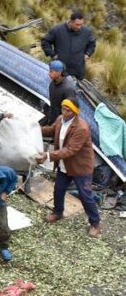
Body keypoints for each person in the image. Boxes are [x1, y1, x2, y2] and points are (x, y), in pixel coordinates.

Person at [35, 98, 100, 237]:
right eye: (63, 109)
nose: (64, 112)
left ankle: (95, 223)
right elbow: (51, 130)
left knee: (85, 195)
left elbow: (71, 149)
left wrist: (48, 155)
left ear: (75, 112)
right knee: (58, 189)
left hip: (80, 167)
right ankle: (57, 212)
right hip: (65, 164)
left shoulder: (81, 128)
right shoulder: (60, 119)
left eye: (68, 110)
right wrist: (35, 129)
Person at [40, 11, 96, 80]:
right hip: (60, 70)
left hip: (78, 70)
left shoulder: (87, 31)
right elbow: (45, 41)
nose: (79, 27)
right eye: (77, 24)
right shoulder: (57, 30)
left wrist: (88, 54)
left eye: (81, 24)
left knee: (75, 89)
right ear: (71, 22)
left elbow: (92, 44)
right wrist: (53, 54)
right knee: (58, 88)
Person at [42, 60, 77, 126]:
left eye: (51, 71)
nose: (48, 73)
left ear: (59, 72)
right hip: (52, 117)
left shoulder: (68, 89)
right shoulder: (53, 83)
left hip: (60, 123)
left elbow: (70, 111)